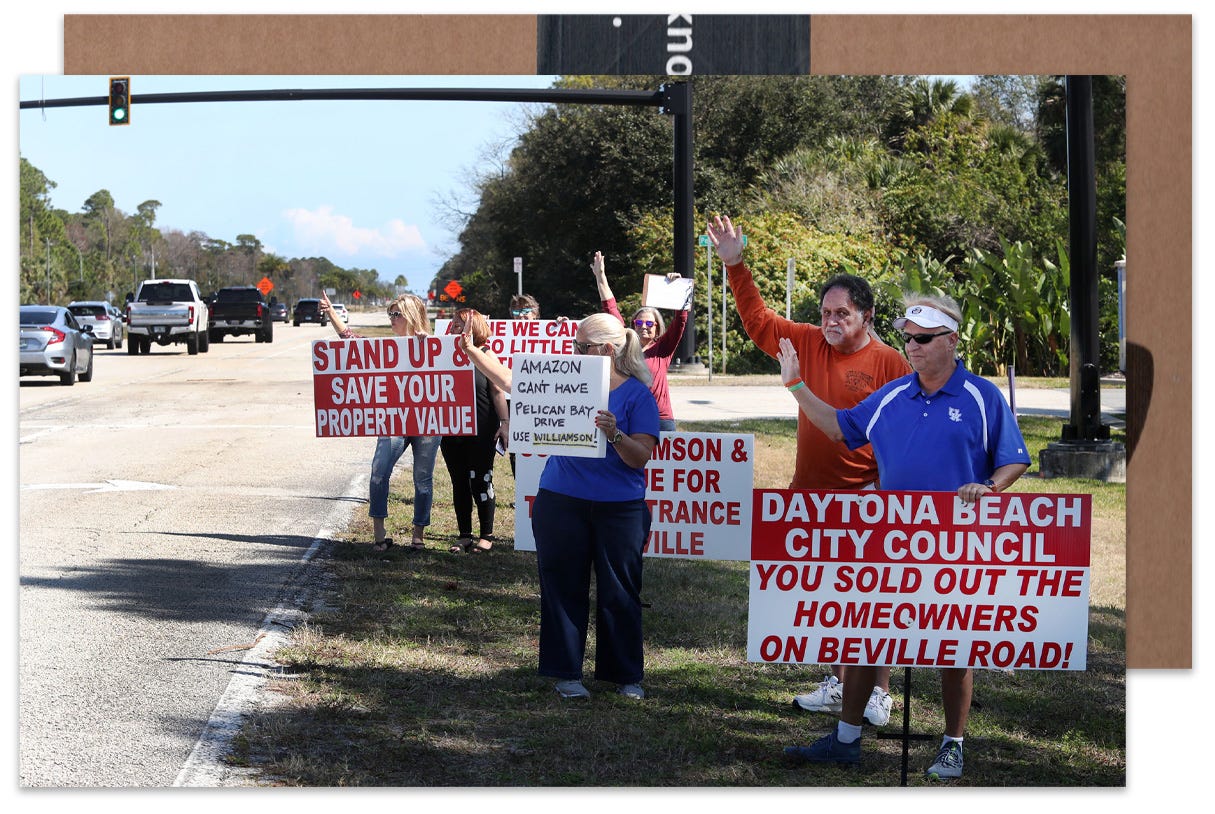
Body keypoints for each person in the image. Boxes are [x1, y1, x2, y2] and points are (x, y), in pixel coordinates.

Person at [775, 295, 1031, 780]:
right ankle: (846, 740)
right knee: (866, 638)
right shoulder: (894, 396)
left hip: (957, 544)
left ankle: (953, 744)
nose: (911, 347)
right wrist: (796, 386)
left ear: (951, 341)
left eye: (923, 339)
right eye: (907, 338)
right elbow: (838, 427)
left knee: (953, 645)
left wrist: (992, 486)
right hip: (893, 542)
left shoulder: (981, 396)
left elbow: (1014, 455)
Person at [706, 214, 911, 727]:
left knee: (873, 599)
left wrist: (888, 492)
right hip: (811, 497)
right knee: (831, 597)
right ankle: (840, 684)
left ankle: (878, 693)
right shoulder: (805, 342)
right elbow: (757, 320)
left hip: (869, 499)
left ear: (864, 316)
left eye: (842, 313)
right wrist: (735, 264)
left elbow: (905, 433)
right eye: (825, 312)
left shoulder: (890, 363)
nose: (831, 321)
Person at [460, 313, 660, 700]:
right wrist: (471, 350)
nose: (572, 352)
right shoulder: (566, 379)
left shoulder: (637, 394)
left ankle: (625, 676)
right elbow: (509, 380)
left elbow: (640, 457)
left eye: (580, 347)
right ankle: (566, 672)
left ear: (605, 350)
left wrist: (614, 433)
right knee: (562, 587)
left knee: (620, 592)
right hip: (560, 502)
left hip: (620, 508)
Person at [318, 290, 440, 552]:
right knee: (379, 471)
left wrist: (427, 342)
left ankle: (418, 535)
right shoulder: (384, 348)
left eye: (397, 314)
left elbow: (453, 358)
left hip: (426, 420)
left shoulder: (433, 344)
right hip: (394, 419)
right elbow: (349, 339)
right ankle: (379, 536)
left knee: (423, 477)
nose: (392, 319)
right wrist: (331, 313)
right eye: (390, 314)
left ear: (412, 316)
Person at [590, 251, 688, 432]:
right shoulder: (625, 343)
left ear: (657, 328)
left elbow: (681, 319)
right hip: (630, 416)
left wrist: (679, 288)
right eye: (639, 322)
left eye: (650, 323)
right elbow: (610, 307)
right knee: (629, 460)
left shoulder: (663, 349)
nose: (644, 326)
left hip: (661, 418)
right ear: (633, 325)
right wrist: (600, 275)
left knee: (665, 462)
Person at [442, 308, 510, 553]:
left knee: (481, 480)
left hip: (482, 428)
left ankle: (487, 535)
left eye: (459, 325)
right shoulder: (444, 354)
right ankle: (464, 535)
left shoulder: (485, 353)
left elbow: (497, 390)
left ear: (475, 328)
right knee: (459, 481)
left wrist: (505, 423)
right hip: (452, 429)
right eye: (453, 325)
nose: (453, 329)